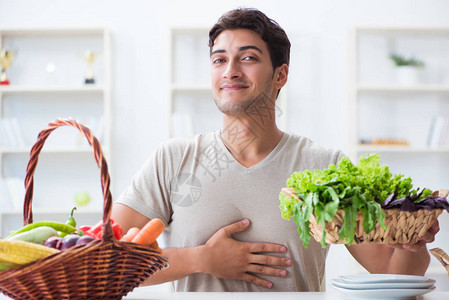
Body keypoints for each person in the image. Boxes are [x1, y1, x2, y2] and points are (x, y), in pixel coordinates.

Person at [111, 7, 439, 292]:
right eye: (219, 59)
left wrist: (412, 243)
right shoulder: (173, 159)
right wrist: (203, 259)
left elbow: (388, 269)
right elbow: (107, 263)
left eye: (248, 57)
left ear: (280, 75)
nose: (230, 70)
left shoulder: (326, 167)